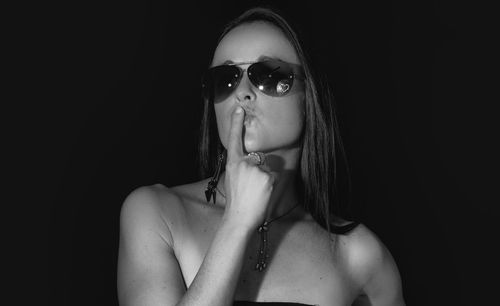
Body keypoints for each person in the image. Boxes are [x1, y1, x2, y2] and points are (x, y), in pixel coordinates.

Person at [117, 6, 405, 306]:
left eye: (269, 75)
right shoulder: (156, 213)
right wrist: (237, 224)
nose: (242, 92)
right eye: (225, 78)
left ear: (310, 98)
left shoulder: (359, 254)